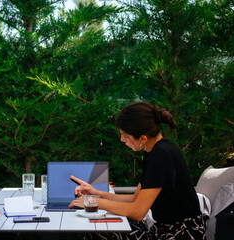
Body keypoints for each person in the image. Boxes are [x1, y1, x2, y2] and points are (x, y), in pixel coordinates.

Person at [69, 101, 207, 239]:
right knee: (99, 226)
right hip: (163, 229)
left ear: (142, 138)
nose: (122, 140)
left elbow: (138, 212)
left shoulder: (161, 155)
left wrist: (94, 203)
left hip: (180, 234)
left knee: (100, 231)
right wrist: (96, 193)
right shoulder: (153, 151)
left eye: (125, 136)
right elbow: (136, 198)